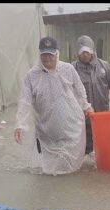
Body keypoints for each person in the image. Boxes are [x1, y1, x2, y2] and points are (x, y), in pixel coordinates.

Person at [14, 36, 94, 175]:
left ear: (57, 54)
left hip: (72, 127)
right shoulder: (31, 76)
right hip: (47, 130)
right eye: (44, 55)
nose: (47, 58)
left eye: (50, 55)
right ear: (39, 55)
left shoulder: (68, 69)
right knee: (50, 169)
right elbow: (25, 101)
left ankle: (68, 189)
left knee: (72, 167)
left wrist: (86, 106)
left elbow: (79, 89)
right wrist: (20, 124)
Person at [72, 35, 110, 155]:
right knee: (84, 152)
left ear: (92, 50)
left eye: (87, 51)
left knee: (104, 149)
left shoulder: (105, 66)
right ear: (77, 53)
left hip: (103, 117)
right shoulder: (72, 69)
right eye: (82, 52)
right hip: (81, 120)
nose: (85, 54)